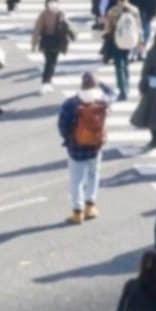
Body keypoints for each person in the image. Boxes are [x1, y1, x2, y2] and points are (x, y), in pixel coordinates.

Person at [58, 72, 115, 224]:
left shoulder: (71, 103)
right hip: (96, 146)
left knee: (76, 180)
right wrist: (101, 82)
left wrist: (68, 138)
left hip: (76, 148)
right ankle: (90, 206)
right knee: (93, 174)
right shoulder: (102, 100)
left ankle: (78, 212)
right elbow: (113, 92)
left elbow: (62, 126)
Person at [102, 0, 141, 101]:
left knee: (119, 65)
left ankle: (123, 90)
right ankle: (127, 86)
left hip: (117, 40)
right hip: (130, 39)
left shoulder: (113, 11)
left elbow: (108, 27)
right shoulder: (134, 10)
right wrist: (140, 41)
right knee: (126, 62)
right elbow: (138, 27)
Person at [32, 0, 76, 93]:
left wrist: (34, 44)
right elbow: (37, 29)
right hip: (53, 42)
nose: (53, 4)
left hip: (51, 42)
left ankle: (46, 82)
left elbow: (67, 25)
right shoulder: (48, 14)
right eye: (51, 1)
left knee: (51, 63)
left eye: (54, 1)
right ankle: (45, 82)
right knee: (50, 63)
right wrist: (34, 43)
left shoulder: (57, 13)